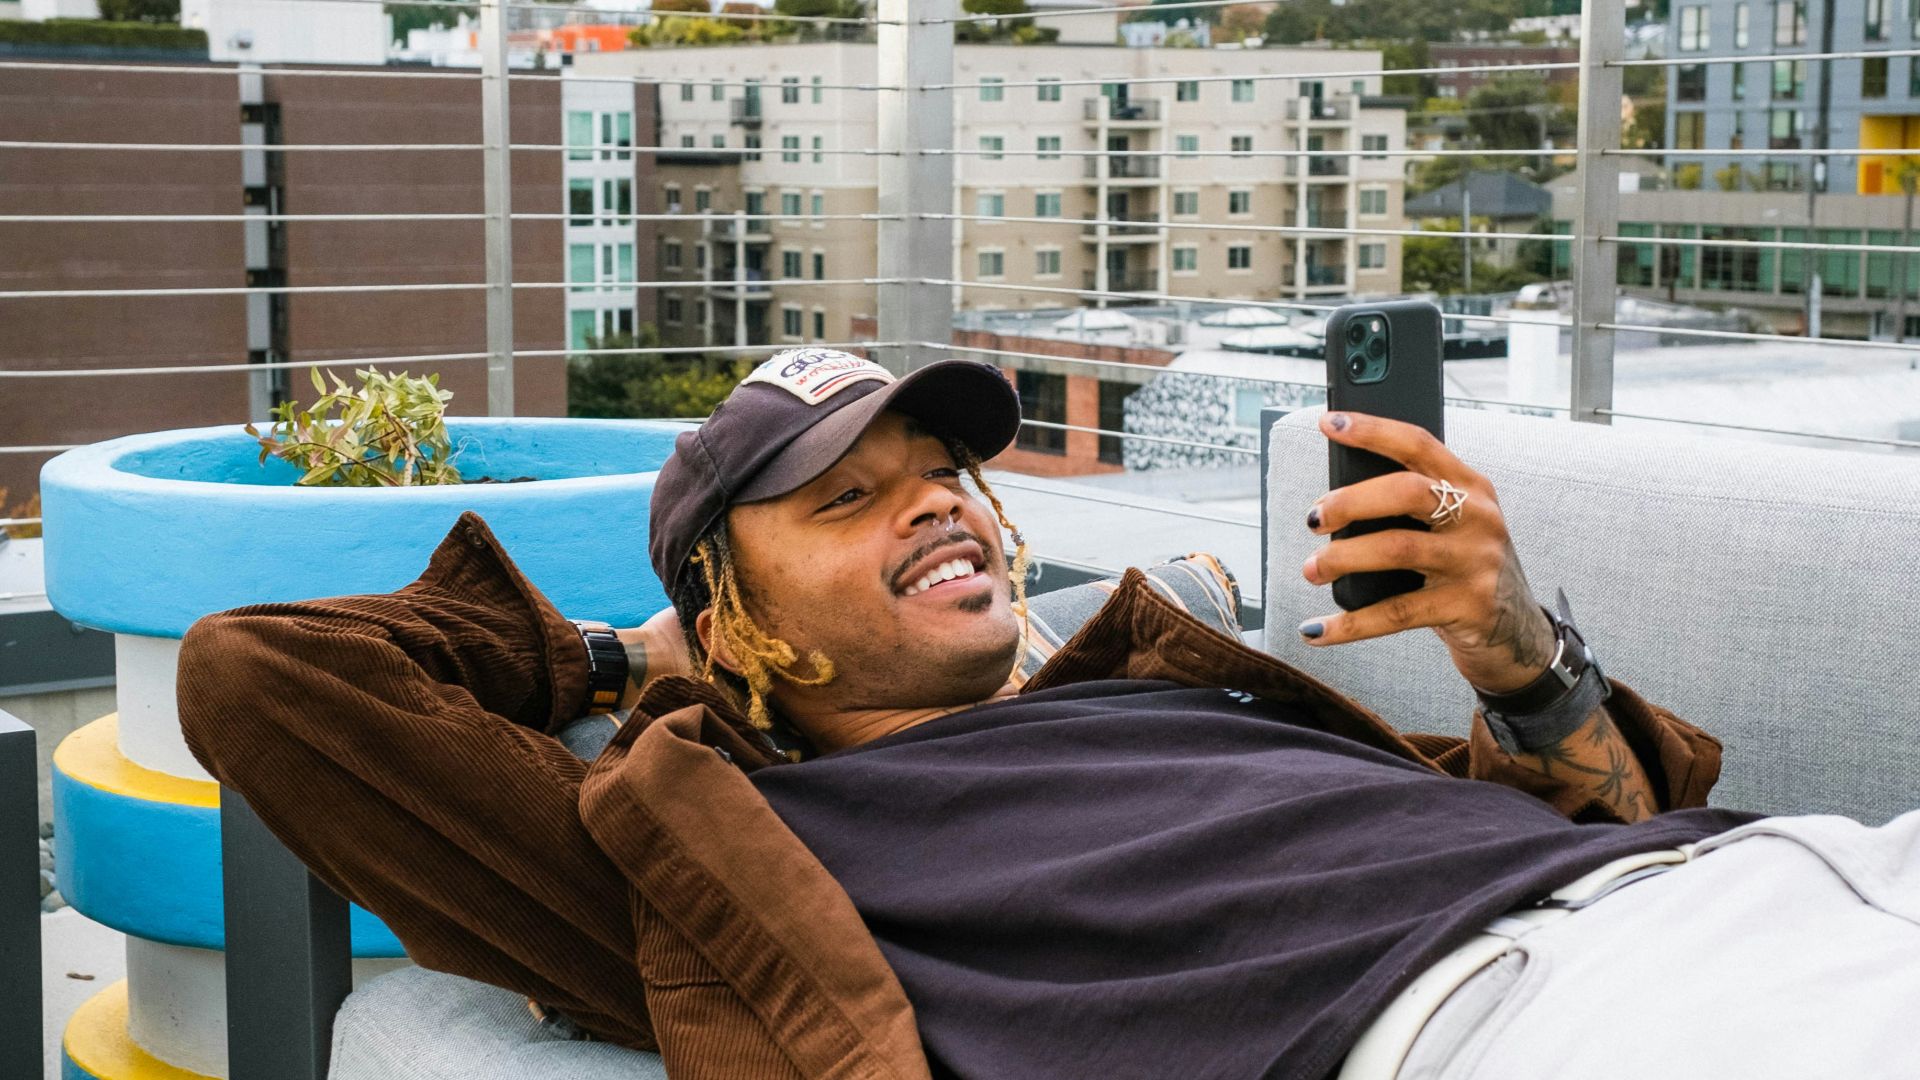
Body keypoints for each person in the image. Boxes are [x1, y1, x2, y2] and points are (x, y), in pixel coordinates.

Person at [178, 348, 1920, 1080]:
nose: (936, 502)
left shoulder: (1175, 684)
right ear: (732, 613)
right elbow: (265, 675)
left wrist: (1519, 653)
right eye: (846, 500)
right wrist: (633, 660)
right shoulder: (731, 841)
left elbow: (1610, 818)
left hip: (1786, 877)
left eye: (943, 471)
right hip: (1539, 1027)